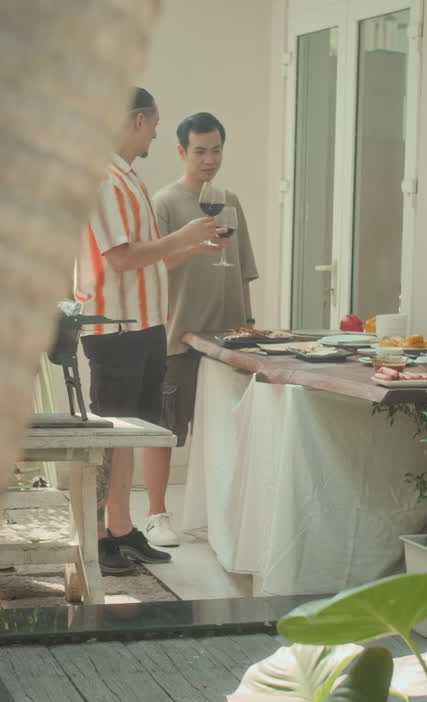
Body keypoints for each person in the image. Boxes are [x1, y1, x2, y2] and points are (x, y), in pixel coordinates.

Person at [74, 88, 225, 575]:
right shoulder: (99, 176)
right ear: (137, 120)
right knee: (108, 438)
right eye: (155, 124)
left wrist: (187, 248)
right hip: (115, 328)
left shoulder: (126, 177)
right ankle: (97, 538)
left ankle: (121, 529)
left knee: (130, 437)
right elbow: (120, 258)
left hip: (144, 326)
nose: (159, 133)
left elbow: (147, 259)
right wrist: (178, 238)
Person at [147, 112, 260, 547]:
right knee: (165, 430)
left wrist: (249, 326)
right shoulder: (166, 203)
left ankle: (221, 513)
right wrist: (193, 242)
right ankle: (156, 515)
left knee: (225, 431)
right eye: (200, 151)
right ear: (182, 152)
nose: (209, 159)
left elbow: (244, 271)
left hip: (229, 337)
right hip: (180, 335)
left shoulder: (229, 201)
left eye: (216, 150)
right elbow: (157, 266)